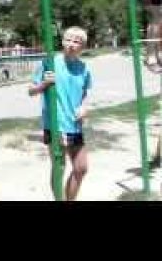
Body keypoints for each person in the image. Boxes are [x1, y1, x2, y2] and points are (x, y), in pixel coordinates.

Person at [28, 26, 92, 201]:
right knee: (59, 167)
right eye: (68, 39)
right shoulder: (49, 63)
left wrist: (84, 107)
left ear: (83, 46)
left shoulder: (84, 68)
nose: (71, 44)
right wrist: (44, 84)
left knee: (81, 167)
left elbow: (85, 92)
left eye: (76, 41)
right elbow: (31, 91)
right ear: (62, 41)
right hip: (55, 124)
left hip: (74, 124)